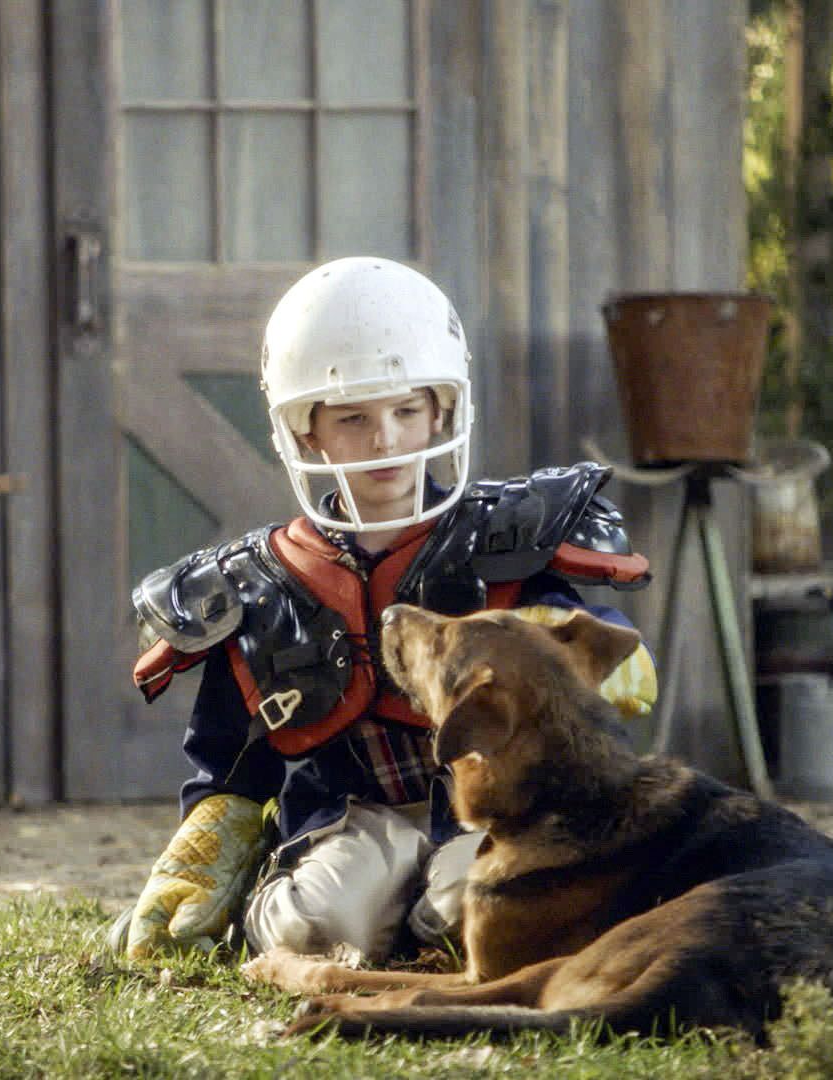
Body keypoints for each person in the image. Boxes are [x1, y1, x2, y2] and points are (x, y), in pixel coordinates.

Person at [105, 257, 657, 965]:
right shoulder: (259, 583)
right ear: (306, 429)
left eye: (405, 411)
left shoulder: (512, 543)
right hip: (349, 822)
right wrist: (205, 850)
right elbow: (230, 760)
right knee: (318, 932)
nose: (386, 441)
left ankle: (434, 916)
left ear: (441, 409)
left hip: (492, 810)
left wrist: (595, 653)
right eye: (354, 418)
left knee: (490, 912)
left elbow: (591, 666)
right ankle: (292, 899)